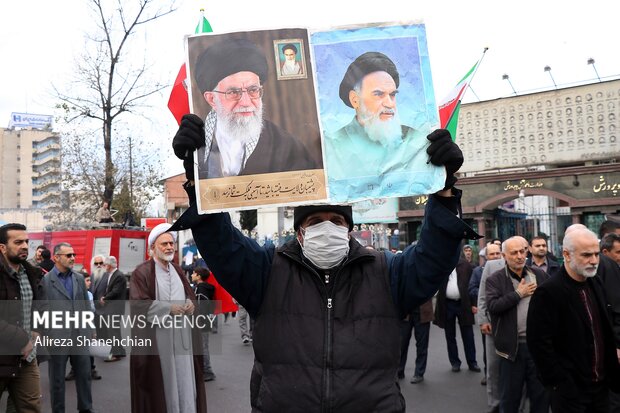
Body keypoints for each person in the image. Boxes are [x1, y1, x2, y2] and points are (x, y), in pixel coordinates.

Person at [171, 119, 478, 411]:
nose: (327, 228)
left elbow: (432, 259)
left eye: (337, 221)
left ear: (349, 229)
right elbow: (223, 245)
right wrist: (201, 180)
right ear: (300, 232)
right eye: (316, 221)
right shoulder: (268, 271)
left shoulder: (385, 271)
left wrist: (444, 192)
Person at [174, 38, 318, 180]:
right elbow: (200, 198)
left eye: (253, 90)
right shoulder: (197, 139)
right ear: (212, 99)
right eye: (233, 92)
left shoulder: (286, 146)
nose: (245, 102)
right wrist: (190, 162)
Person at [527, 226, 620, 412]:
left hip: (601, 388)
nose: (594, 261)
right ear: (567, 255)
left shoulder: (595, 282)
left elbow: (603, 326)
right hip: (570, 392)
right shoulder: (549, 292)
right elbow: (539, 344)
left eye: (596, 254)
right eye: (586, 255)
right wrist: (560, 383)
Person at [129, 223, 207, 413]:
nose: (169, 247)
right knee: (162, 382)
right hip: (158, 339)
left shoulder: (178, 270)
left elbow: (190, 295)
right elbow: (138, 304)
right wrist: (167, 309)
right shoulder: (142, 272)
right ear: (153, 248)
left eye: (171, 243)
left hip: (182, 337)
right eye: (164, 244)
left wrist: (190, 303)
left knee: (185, 378)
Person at [326, 51, 431, 179]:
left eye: (392, 95)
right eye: (378, 94)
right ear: (355, 99)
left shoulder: (415, 139)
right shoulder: (331, 147)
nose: (389, 103)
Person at [486, 236, 550, 413]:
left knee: (540, 396)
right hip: (511, 351)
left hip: (537, 348)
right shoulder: (495, 280)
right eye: (514, 253)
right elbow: (493, 306)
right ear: (504, 256)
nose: (519, 256)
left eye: (522, 251)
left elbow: (552, 305)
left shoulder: (539, 275)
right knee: (510, 398)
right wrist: (518, 294)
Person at [40, 242, 95, 413]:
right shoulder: (46, 281)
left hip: (79, 336)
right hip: (57, 338)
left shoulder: (78, 278)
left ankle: (86, 409)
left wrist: (90, 329)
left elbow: (86, 305)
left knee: (85, 376)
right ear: (56, 257)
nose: (72, 258)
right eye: (68, 255)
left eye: (73, 255)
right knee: (57, 380)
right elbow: (42, 310)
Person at [0, 223, 45, 413]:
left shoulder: (31, 273)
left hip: (26, 358)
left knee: (29, 408)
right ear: (2, 247)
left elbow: (40, 306)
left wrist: (36, 331)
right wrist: (22, 339)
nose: (25, 246)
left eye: (26, 241)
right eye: (18, 242)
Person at [434, 245, 480, 373]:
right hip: (447, 304)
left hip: (463, 303)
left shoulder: (465, 265)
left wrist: (474, 303)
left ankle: (472, 362)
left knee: (468, 335)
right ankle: (455, 362)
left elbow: (472, 285)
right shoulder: (441, 266)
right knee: (450, 335)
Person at [397, 298, 433, 384]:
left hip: (423, 311)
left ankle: (419, 373)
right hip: (406, 312)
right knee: (402, 344)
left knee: (422, 344)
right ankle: (399, 371)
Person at [99, 256, 127, 361]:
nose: (104, 267)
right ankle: (120, 351)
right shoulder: (113, 274)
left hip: (115, 308)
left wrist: (105, 298)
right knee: (114, 331)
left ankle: (116, 354)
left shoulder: (118, 276)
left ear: (109, 265)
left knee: (113, 332)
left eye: (105, 265)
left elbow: (116, 291)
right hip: (113, 308)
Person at [191, 266, 216, 382]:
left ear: (199, 276)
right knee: (201, 345)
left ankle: (208, 371)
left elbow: (200, 306)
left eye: (193, 273)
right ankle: (202, 369)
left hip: (201, 320)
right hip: (205, 320)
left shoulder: (201, 289)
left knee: (202, 346)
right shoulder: (205, 288)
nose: (191, 275)